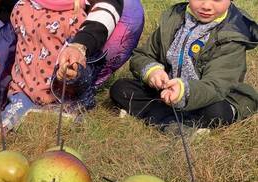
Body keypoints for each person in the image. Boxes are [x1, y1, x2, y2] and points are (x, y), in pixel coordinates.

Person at [0, 0, 145, 122]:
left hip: (72, 37)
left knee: (130, 11)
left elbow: (109, 5)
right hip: (15, 32)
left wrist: (81, 45)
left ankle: (83, 84)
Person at [110, 0, 258, 131]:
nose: (206, 6)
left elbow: (216, 86)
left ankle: (163, 119)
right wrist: (152, 72)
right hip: (166, 93)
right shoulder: (173, 19)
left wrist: (184, 91)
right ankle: (179, 124)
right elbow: (142, 55)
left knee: (217, 112)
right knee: (120, 88)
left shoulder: (233, 34)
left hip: (209, 97)